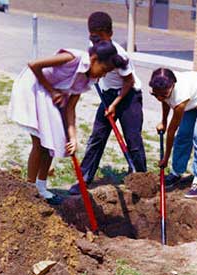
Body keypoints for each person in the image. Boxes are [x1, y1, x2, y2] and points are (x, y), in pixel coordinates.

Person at [8, 40, 127, 204]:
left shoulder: (89, 80)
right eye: (104, 70)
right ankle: (30, 188)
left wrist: (73, 138)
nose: (103, 75)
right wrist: (52, 90)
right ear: (93, 59)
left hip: (52, 95)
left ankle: (41, 188)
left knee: (54, 141)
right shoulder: (72, 58)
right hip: (34, 86)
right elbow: (33, 65)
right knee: (40, 142)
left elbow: (70, 109)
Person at [68, 12, 147, 195]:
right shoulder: (92, 46)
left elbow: (129, 82)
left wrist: (115, 103)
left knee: (133, 138)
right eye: (92, 35)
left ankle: (141, 179)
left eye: (99, 36)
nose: (95, 39)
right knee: (97, 136)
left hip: (129, 96)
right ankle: (84, 178)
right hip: (108, 95)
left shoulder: (119, 54)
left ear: (109, 34)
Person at [149, 68, 197, 198]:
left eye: (164, 94)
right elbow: (166, 101)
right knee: (183, 134)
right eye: (156, 95)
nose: (159, 98)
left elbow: (172, 131)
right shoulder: (161, 87)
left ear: (172, 86)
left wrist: (165, 158)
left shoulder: (180, 96)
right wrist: (163, 122)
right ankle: (177, 172)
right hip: (193, 99)